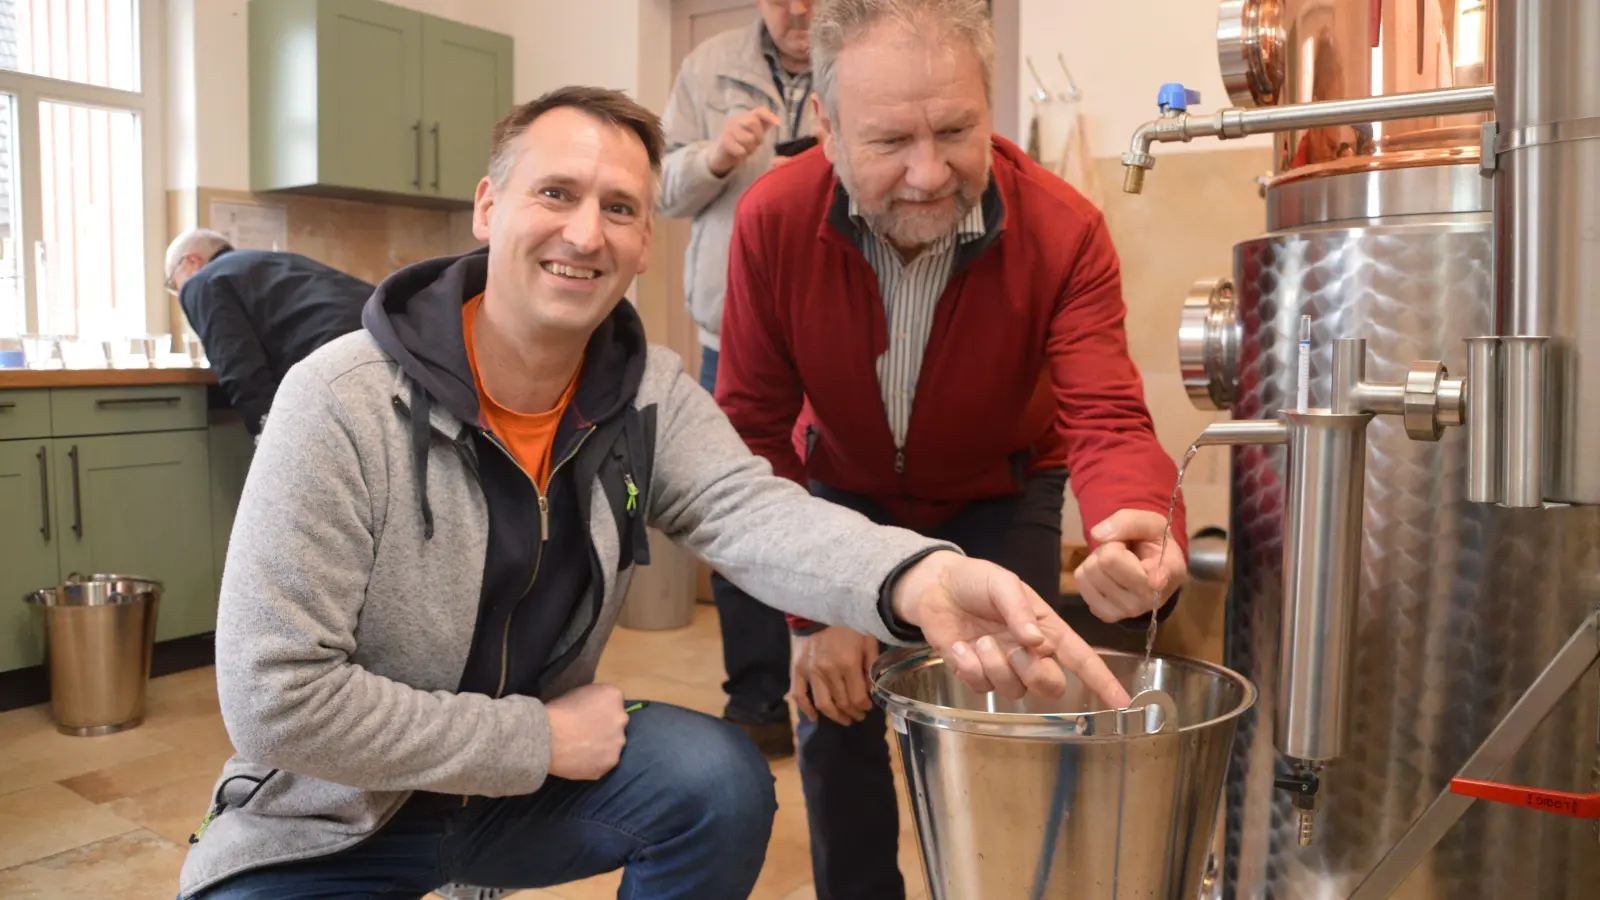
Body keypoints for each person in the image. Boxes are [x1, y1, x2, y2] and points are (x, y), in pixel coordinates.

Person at [176, 85, 1134, 900]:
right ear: (487, 207)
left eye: (621, 209)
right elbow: (274, 699)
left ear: (643, 249)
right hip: (336, 816)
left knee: (717, 783)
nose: (585, 233)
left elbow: (753, 512)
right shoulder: (337, 400)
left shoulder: (644, 395)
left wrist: (920, 580)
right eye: (556, 193)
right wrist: (536, 738)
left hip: (515, 800)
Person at [713, 2, 1191, 898]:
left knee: (1005, 720)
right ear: (826, 125)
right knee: (838, 722)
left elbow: (1108, 417)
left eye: (958, 130)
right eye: (890, 140)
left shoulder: (1066, 229)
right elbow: (747, 433)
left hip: (1002, 490)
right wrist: (815, 617)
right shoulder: (772, 221)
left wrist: (1138, 516)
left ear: (989, 104)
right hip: (840, 495)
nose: (929, 174)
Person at [658, 0, 819, 758]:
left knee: (833, 507)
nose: (798, 8)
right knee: (734, 516)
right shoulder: (707, 62)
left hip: (840, 339)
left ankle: (841, 684)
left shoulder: (864, 59)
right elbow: (659, 187)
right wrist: (714, 156)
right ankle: (757, 700)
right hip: (733, 337)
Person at [165, 231, 373, 438]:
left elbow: (239, 366)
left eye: (175, 285)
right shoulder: (273, 263)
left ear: (192, 261)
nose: (179, 294)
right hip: (387, 341)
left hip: (337, 359)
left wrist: (273, 439)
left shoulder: (202, 281)